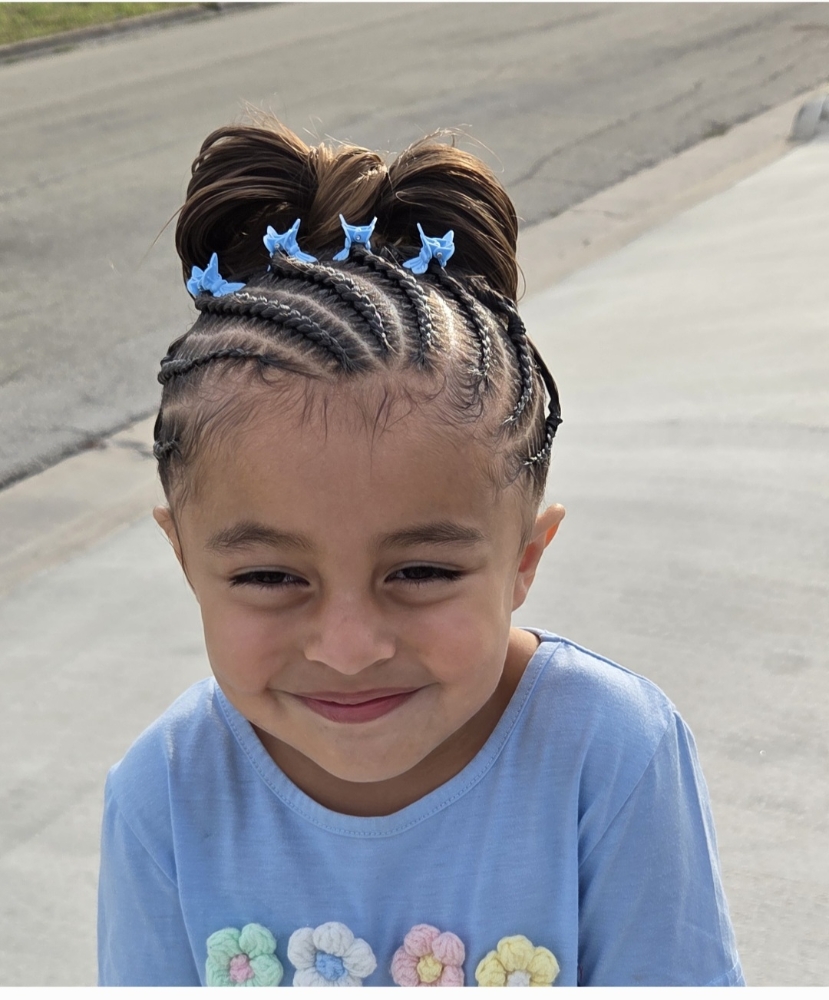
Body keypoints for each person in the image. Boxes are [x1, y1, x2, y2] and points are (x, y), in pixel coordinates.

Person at [97, 116, 744, 988]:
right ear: (185, 561)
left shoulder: (609, 755)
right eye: (269, 577)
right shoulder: (166, 793)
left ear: (525, 555)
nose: (349, 644)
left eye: (421, 572)